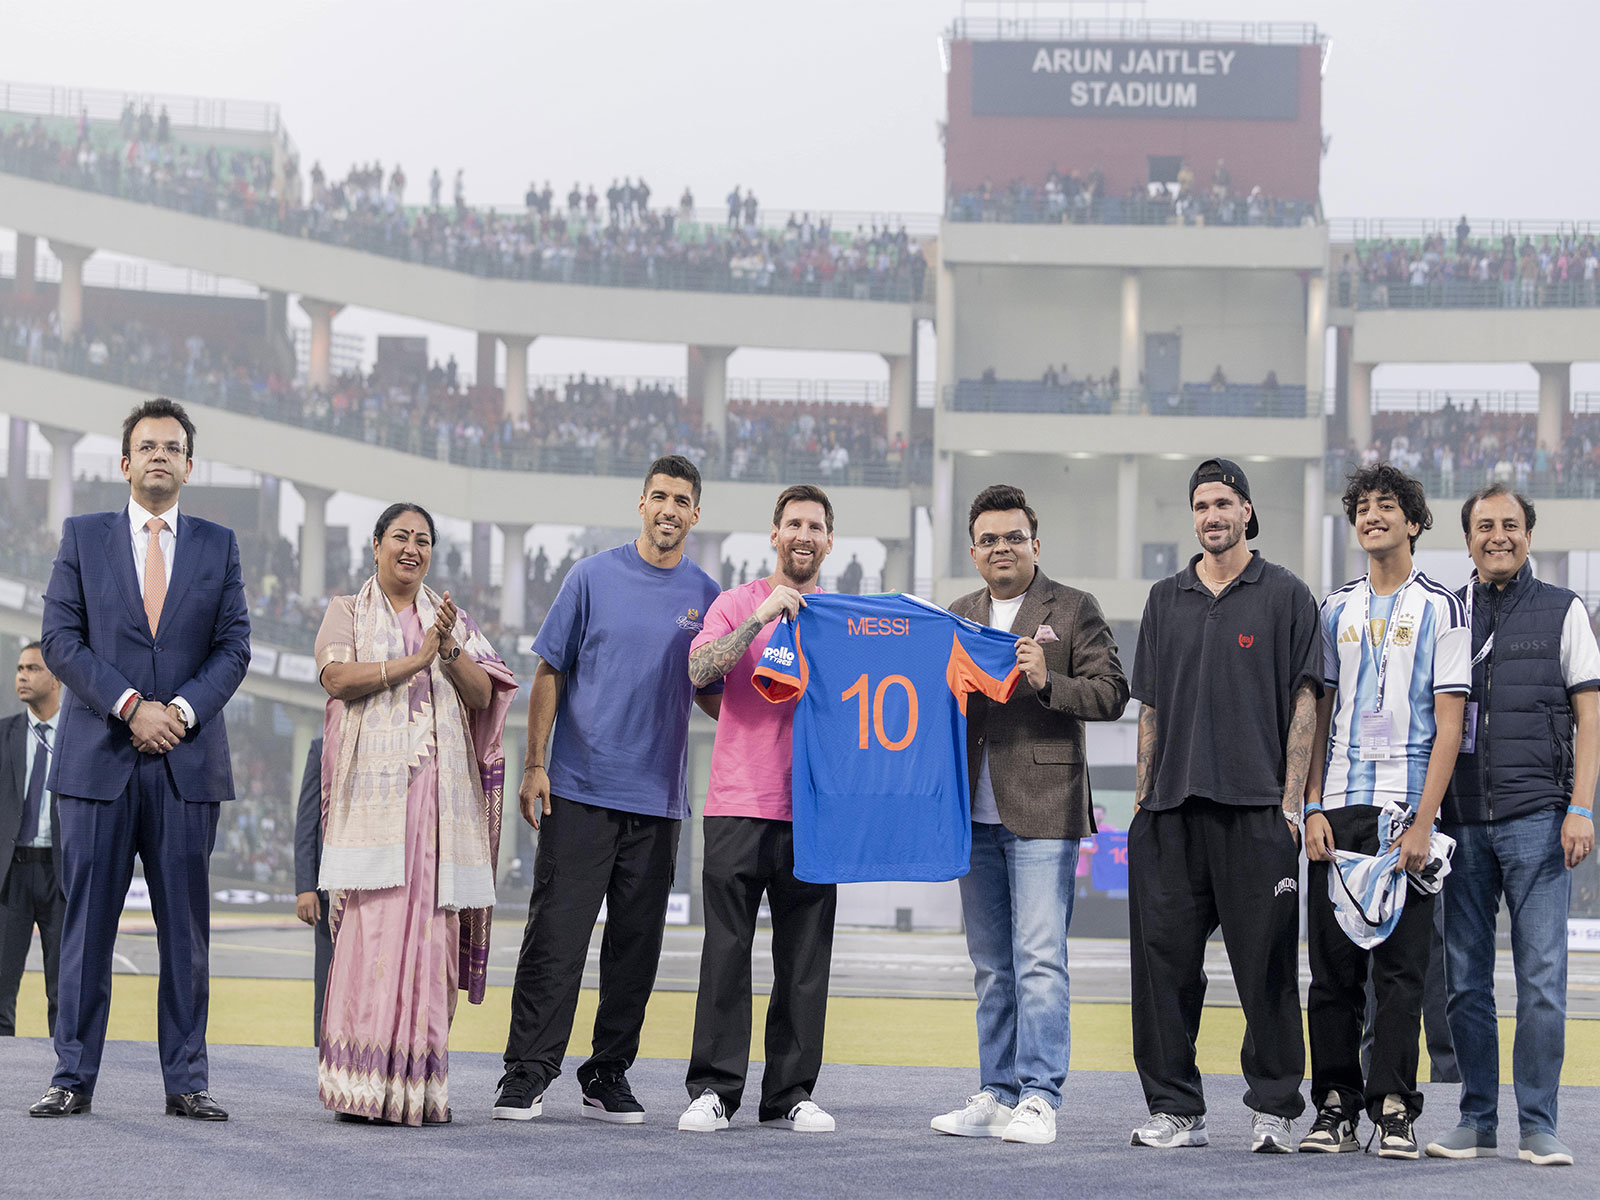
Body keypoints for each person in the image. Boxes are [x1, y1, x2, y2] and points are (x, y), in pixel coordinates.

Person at [33, 398, 251, 1120]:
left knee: (184, 934)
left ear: (189, 465)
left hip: (186, 768)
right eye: (147, 445)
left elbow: (235, 648)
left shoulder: (219, 546)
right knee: (85, 928)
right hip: (97, 764)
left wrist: (180, 713)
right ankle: (72, 1075)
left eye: (173, 446)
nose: (160, 455)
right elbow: (61, 640)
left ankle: (187, 1080)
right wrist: (131, 706)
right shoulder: (83, 536)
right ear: (125, 464)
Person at [494, 456, 722, 1124]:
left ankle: (607, 1072)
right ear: (642, 504)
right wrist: (534, 764)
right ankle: (527, 1072)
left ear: (695, 514)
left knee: (636, 949)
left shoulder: (706, 596)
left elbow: (713, 692)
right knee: (555, 941)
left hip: (658, 803)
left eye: (682, 499)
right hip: (581, 791)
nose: (669, 509)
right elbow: (547, 672)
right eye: (659, 496)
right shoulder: (591, 576)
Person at [1128, 457, 1319, 1152]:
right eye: (1202, 504)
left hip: (1256, 812)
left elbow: (1306, 700)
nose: (1212, 515)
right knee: (1163, 972)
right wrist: (1145, 799)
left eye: (1224, 503)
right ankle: (1177, 1109)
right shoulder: (1164, 598)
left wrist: (1291, 805)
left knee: (1266, 970)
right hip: (1171, 812)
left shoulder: (1287, 594)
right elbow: (1149, 704)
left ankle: (1274, 1108)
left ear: (1247, 511)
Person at [931, 486, 1128, 1145]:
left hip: (1044, 808)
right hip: (973, 812)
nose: (1001, 548)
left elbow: (1111, 694)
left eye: (1013, 537)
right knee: (990, 964)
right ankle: (996, 1091)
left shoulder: (1073, 608)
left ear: (1034, 545)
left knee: (1039, 957)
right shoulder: (957, 613)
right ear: (974, 551)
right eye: (988, 539)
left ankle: (1041, 1096)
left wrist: (1049, 679)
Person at [314, 502, 516, 1125]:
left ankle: (418, 1088)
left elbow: (485, 695)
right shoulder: (346, 611)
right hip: (374, 807)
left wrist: (448, 647)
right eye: (399, 536)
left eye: (423, 540)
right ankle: (361, 1085)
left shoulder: (449, 621)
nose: (411, 548)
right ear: (375, 546)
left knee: (431, 933)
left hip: (437, 804)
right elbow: (336, 679)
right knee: (371, 930)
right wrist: (415, 659)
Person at [1426, 484, 1599, 1167]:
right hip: (1461, 823)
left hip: (1538, 821)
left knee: (1543, 980)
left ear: (1529, 533)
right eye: (1484, 526)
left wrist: (1581, 807)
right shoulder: (1447, 614)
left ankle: (1538, 1122)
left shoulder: (1564, 610)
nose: (1497, 536)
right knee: (1464, 982)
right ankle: (1476, 1118)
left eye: (1510, 525)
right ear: (1466, 538)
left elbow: (1591, 720)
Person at [1299, 463, 1468, 1159]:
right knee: (1333, 973)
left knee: (1401, 973)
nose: (1372, 517)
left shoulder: (1443, 606)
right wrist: (1310, 807)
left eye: (1387, 507)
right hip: (1338, 808)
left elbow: (1450, 723)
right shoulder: (1332, 608)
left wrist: (1426, 821)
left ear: (1414, 522)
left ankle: (1394, 1108)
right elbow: (1318, 715)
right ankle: (1334, 1106)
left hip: (1406, 812)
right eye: (1363, 508)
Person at [677, 485, 837, 1134]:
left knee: (805, 961)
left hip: (818, 810)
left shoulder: (843, 617)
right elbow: (698, 674)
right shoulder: (736, 603)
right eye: (793, 523)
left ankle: (791, 1094)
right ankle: (715, 1090)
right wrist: (761, 618)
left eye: (816, 526)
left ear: (829, 542)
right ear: (774, 534)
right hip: (739, 801)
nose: (804, 534)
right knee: (726, 953)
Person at [1, 642, 65, 1036]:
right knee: (1, 988)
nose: (22, 675)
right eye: (20, 668)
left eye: (33, 669)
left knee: (64, 991)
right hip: (11, 875)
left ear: (57, 677)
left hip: (62, 877)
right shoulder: (3, 733)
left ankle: (67, 1078)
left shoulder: (80, 736)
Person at [292, 735, 330, 1048]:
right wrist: (306, 886)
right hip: (331, 892)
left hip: (379, 889)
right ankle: (326, 1064)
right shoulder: (322, 747)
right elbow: (307, 821)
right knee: (328, 985)